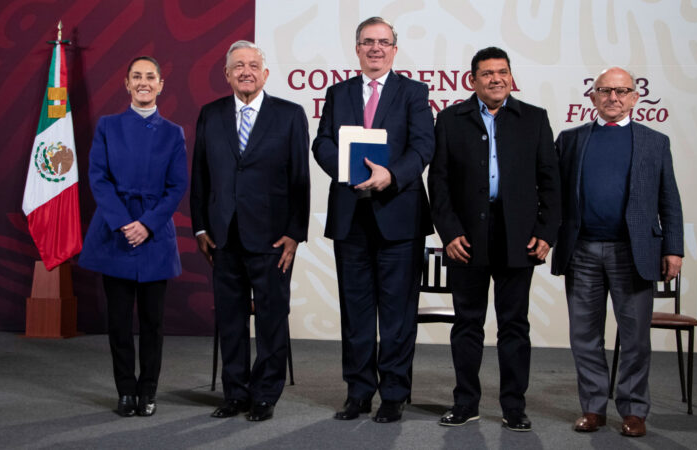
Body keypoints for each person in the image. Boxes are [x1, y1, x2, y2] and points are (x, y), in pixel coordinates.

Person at [428, 47, 560, 431]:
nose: (496, 79)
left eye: (502, 72)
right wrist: (449, 232)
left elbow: (551, 182)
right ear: (473, 80)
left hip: (519, 239)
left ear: (511, 76)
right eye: (487, 73)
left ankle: (514, 406)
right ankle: (465, 402)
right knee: (467, 324)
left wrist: (545, 233)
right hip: (465, 239)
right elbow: (438, 183)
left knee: (514, 325)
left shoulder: (534, 119)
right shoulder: (451, 119)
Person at [312, 17, 434, 423]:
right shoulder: (339, 92)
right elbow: (322, 141)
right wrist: (346, 169)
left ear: (395, 49)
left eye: (383, 42)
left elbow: (423, 146)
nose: (376, 49)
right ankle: (359, 391)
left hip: (399, 215)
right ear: (357, 49)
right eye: (368, 42)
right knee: (356, 310)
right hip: (351, 216)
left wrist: (392, 175)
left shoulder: (414, 93)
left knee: (398, 314)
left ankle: (395, 393)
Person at [552, 67, 683, 437]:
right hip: (582, 251)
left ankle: (633, 410)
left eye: (622, 90)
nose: (614, 97)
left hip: (634, 252)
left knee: (636, 337)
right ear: (592, 97)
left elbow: (669, 200)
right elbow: (554, 195)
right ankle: (593, 408)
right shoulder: (571, 139)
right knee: (584, 335)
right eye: (605, 91)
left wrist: (673, 249)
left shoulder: (655, 142)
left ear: (635, 97)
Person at [190, 40, 310, 422]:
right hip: (224, 236)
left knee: (273, 318)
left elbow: (300, 181)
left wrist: (295, 233)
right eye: (238, 65)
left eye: (253, 65)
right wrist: (200, 227)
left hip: (274, 238)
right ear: (227, 75)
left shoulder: (290, 115)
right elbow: (200, 177)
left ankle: (264, 394)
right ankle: (235, 393)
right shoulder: (210, 114)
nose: (246, 71)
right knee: (231, 319)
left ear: (265, 73)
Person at [79, 56, 188, 417]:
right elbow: (98, 178)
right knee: (119, 321)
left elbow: (176, 187)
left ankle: (148, 392)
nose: (144, 82)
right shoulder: (108, 126)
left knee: (154, 324)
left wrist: (148, 224)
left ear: (160, 85)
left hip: (154, 235)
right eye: (136, 77)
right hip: (117, 233)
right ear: (126, 84)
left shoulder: (174, 133)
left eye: (150, 77)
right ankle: (125, 390)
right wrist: (125, 222)